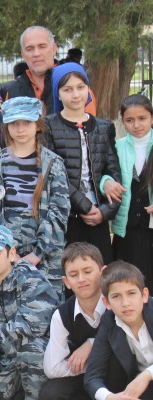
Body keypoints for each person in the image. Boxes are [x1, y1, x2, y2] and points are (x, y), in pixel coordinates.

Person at [0, 96, 70, 299]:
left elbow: (59, 213)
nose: (20, 129)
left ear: (37, 125)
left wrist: (37, 254)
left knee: (46, 309)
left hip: (46, 259)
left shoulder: (53, 164)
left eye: (27, 122)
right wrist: (8, 254)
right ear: (6, 127)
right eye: (14, 123)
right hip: (4, 258)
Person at [0, 225, 59, 399]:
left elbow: (35, 324)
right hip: (6, 360)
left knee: (32, 351)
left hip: (39, 358)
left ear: (11, 254)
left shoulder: (30, 278)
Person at [43, 62, 121, 264]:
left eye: (80, 87)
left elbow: (113, 173)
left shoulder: (104, 127)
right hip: (67, 217)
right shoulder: (48, 126)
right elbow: (52, 175)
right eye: (67, 89)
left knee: (100, 270)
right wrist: (85, 206)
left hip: (98, 217)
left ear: (88, 89)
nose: (75, 94)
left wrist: (104, 212)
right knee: (71, 271)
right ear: (58, 94)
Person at [40, 242, 106, 400]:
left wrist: (92, 343)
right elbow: (52, 368)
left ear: (103, 273)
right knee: (51, 393)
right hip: (88, 374)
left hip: (121, 370)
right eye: (74, 274)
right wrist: (86, 365)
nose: (81, 279)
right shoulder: (62, 315)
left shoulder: (117, 300)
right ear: (66, 282)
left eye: (87, 271)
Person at [84, 260, 153, 399]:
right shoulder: (109, 322)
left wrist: (147, 375)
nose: (125, 303)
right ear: (106, 302)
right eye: (116, 296)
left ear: (144, 295)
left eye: (131, 293)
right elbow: (92, 377)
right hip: (138, 386)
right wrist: (110, 397)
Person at [0, 26, 97, 115]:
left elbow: (88, 124)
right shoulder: (12, 91)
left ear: (54, 49)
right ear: (23, 54)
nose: (36, 53)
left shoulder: (76, 85)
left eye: (42, 46)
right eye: (30, 49)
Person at [112, 94, 153, 286]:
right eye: (130, 120)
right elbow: (106, 173)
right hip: (127, 229)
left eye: (142, 118)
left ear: (151, 118)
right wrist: (106, 182)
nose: (136, 125)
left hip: (150, 226)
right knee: (128, 282)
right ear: (122, 121)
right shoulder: (117, 147)